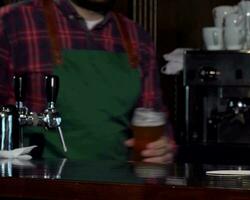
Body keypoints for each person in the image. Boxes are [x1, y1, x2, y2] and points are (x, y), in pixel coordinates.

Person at [0, 0, 175, 163]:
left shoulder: (138, 37)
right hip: (37, 186)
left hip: (118, 185)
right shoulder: (13, 22)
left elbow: (155, 117)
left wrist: (163, 149)